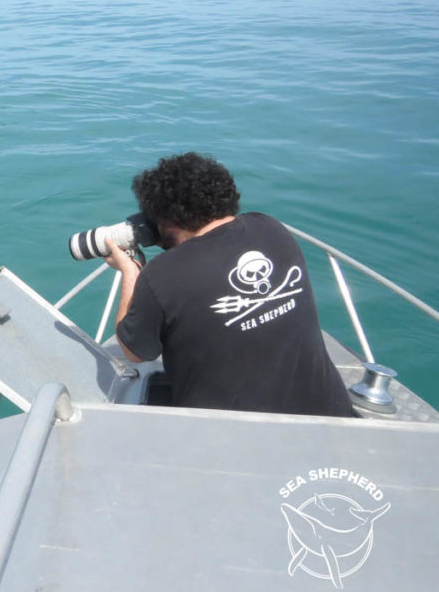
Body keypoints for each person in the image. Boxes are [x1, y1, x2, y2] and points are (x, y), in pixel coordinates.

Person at [103, 152, 354, 417]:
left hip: (232, 435)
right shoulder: (271, 228)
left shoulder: (162, 274)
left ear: (166, 219)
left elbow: (134, 352)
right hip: (330, 414)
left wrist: (130, 272)